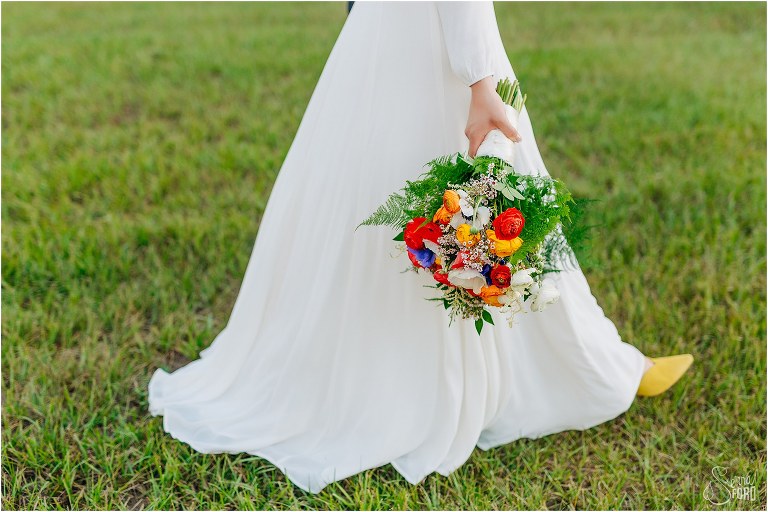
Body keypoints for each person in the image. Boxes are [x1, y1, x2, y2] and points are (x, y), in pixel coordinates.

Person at [147, 1, 693, 494]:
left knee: (386, 190)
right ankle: (593, 369)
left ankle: (365, 372)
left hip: (382, 33)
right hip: (432, 41)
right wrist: (482, 81)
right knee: (481, 190)